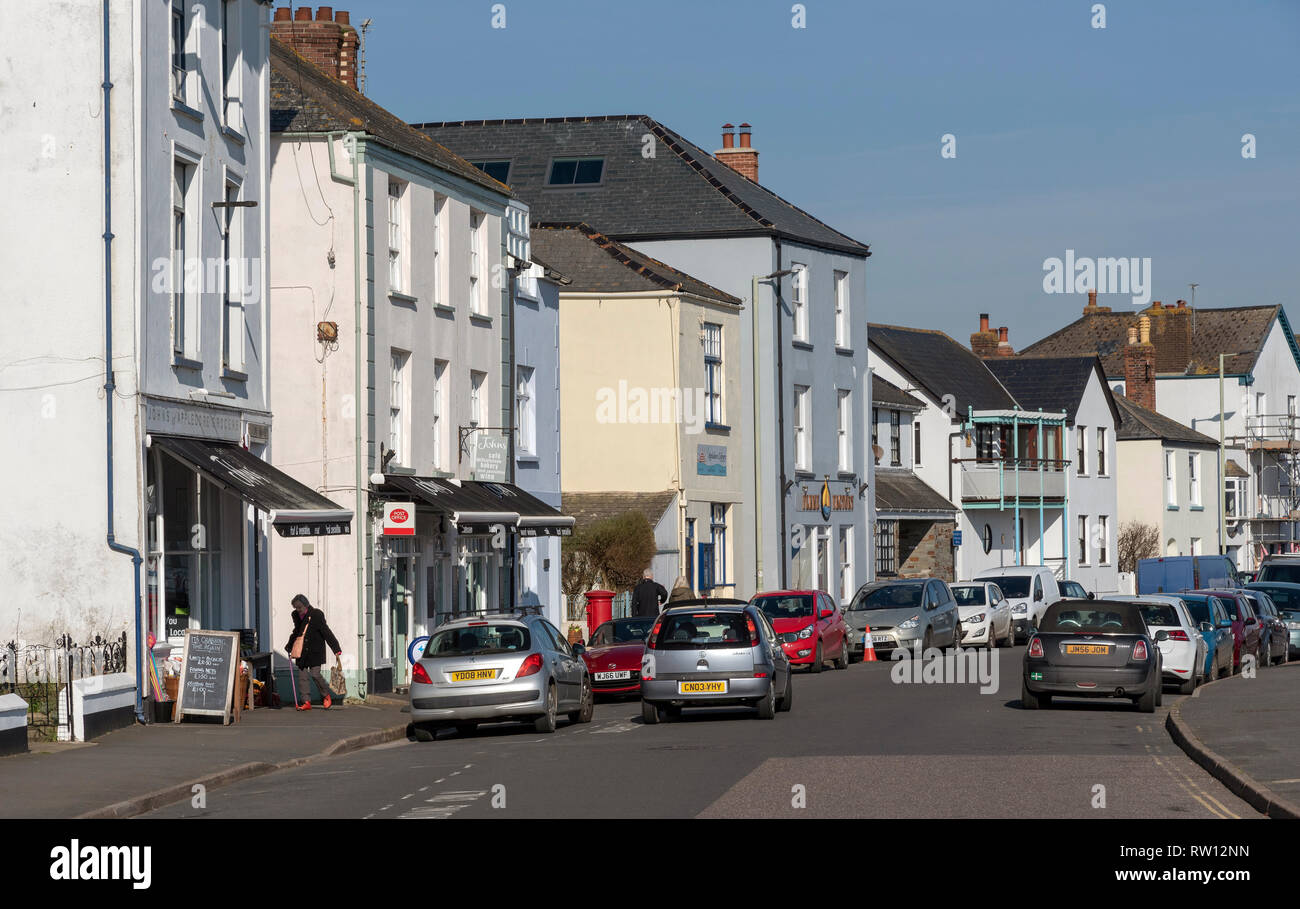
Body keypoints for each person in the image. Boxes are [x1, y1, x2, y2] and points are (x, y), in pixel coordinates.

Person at [285, 594, 343, 711]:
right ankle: (306, 702)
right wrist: (289, 645)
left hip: (315, 650)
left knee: (315, 674)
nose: (298, 610)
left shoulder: (316, 614)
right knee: (302, 677)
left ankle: (326, 695)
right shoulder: (296, 615)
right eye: (296, 608)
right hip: (301, 650)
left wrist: (336, 649)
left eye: (299, 607)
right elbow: (297, 631)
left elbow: (326, 632)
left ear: (305, 605)